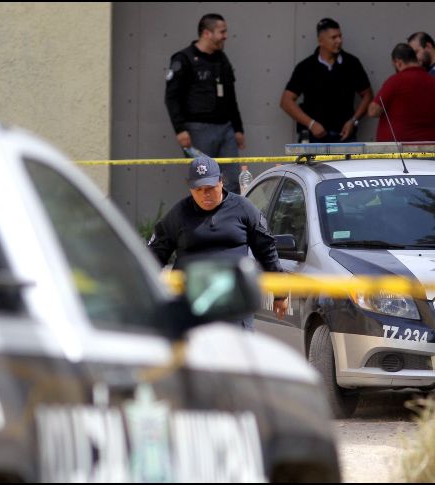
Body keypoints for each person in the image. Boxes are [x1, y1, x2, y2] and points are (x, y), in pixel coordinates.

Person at [147, 156, 288, 329]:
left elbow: (266, 250)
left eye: (210, 188)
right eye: (198, 189)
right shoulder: (178, 214)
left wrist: (280, 294)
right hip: (191, 305)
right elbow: (153, 256)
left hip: (235, 304)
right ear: (189, 187)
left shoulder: (243, 208)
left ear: (221, 181)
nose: (204, 194)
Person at [164, 13, 244, 194]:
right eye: (222, 32)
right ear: (207, 33)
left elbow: (231, 96)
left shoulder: (222, 59)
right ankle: (204, 222)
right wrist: (180, 130)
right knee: (204, 181)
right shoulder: (184, 59)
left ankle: (229, 221)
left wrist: (238, 129)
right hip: (198, 131)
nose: (225, 36)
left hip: (226, 129)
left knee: (231, 181)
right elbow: (171, 97)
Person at [280, 18, 373, 143]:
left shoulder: (352, 63)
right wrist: (311, 124)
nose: (339, 41)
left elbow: (367, 95)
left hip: (345, 137)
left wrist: (353, 121)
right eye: (333, 37)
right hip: (314, 139)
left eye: (340, 36)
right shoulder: (306, 66)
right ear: (320, 41)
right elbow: (286, 101)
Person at [367, 43, 435, 142]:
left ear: (398, 63)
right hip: (427, 147)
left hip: (396, 149)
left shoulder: (395, 81)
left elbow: (373, 111)